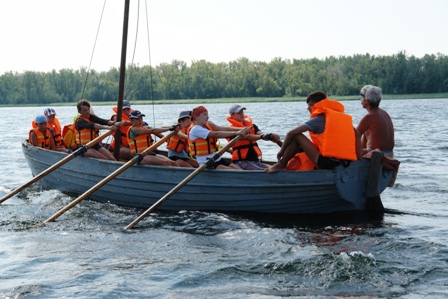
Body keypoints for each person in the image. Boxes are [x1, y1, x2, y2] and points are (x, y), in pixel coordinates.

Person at [266, 91, 361, 173]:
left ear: (318, 104)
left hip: (328, 162)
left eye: (310, 105)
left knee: (297, 136)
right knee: (300, 142)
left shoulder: (318, 119)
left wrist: (281, 151)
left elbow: (290, 133)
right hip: (344, 162)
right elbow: (357, 134)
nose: (308, 108)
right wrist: (359, 158)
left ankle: (282, 165)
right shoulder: (338, 118)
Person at [188, 105, 251, 170]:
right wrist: (236, 133)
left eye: (207, 114)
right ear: (196, 116)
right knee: (234, 171)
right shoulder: (195, 129)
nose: (207, 117)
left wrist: (242, 129)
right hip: (206, 162)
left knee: (239, 169)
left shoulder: (208, 124)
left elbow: (222, 128)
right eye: (205, 115)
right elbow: (215, 134)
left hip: (216, 158)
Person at [226, 104, 280, 170]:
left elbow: (260, 134)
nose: (242, 114)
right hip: (241, 161)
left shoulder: (252, 126)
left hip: (255, 160)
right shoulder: (230, 130)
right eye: (239, 113)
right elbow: (247, 137)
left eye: (242, 112)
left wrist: (269, 136)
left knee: (274, 168)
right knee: (262, 171)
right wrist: (262, 136)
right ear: (232, 115)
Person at [357, 85, 395, 158]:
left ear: (367, 101)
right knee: (366, 134)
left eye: (362, 97)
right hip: (389, 154)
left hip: (375, 156)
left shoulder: (369, 117)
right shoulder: (385, 114)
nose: (361, 100)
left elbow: (354, 135)